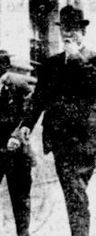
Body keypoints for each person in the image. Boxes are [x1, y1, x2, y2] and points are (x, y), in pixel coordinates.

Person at [9, 5, 96, 236]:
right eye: (65, 29)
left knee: (77, 194)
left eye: (73, 29)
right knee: (75, 194)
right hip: (61, 141)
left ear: (83, 31)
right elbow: (39, 98)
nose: (68, 34)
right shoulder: (51, 65)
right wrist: (26, 125)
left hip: (85, 141)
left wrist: (75, 57)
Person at [0, 50, 37, 236]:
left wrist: (16, 135)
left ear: (5, 67)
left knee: (20, 197)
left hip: (17, 152)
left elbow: (30, 111)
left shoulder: (19, 83)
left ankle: (23, 233)